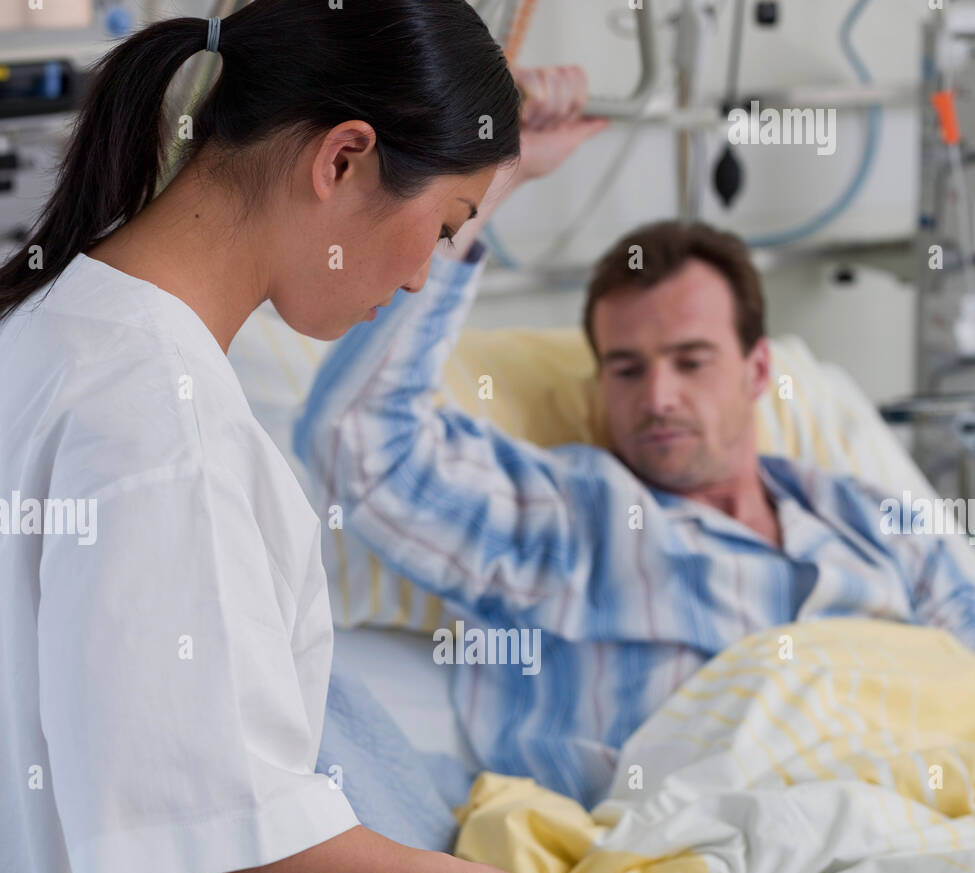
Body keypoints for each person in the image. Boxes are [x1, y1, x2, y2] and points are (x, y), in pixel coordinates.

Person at [0, 0, 585, 873]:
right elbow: (186, 821)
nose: (426, 272)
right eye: (439, 227)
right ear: (340, 160)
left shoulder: (45, 340)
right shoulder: (162, 427)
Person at [297, 139, 975, 809]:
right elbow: (357, 439)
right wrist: (494, 181)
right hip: (718, 860)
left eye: (690, 361)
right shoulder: (574, 519)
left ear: (758, 371)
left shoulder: (871, 519)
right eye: (626, 369)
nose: (657, 398)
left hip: (925, 824)